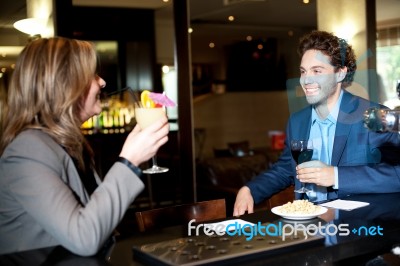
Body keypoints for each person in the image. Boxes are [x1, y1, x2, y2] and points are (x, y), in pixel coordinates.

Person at [0, 37, 169, 256]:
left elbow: (99, 222)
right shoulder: (25, 151)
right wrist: (129, 162)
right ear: (66, 85)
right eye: (92, 75)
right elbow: (84, 238)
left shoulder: (69, 143)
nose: (102, 83)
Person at [233, 30, 400, 216]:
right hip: (306, 227)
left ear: (340, 74)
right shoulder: (297, 121)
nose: (306, 80)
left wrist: (336, 176)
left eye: (317, 71)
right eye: (303, 72)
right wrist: (250, 190)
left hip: (359, 230)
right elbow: (285, 169)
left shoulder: (374, 116)